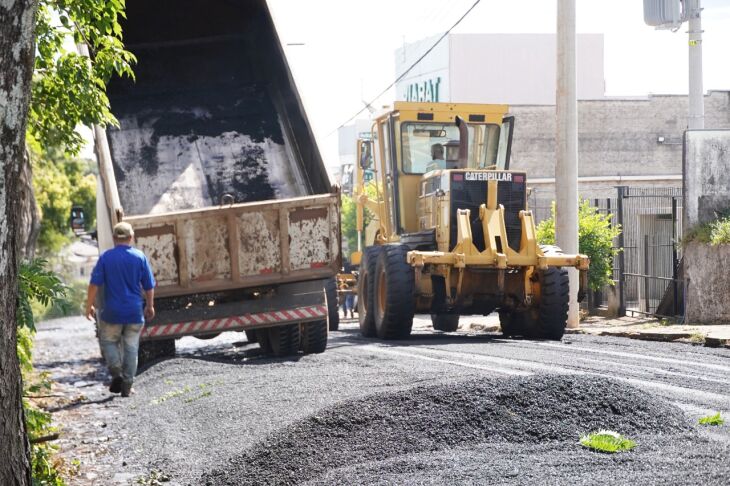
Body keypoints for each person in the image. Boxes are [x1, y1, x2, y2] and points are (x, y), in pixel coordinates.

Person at [85, 222, 156, 397]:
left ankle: (116, 373)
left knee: (109, 342)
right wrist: (150, 305)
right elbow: (148, 285)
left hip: (112, 312)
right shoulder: (139, 257)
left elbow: (94, 284)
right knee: (131, 348)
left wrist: (89, 306)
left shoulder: (106, 258)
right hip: (134, 312)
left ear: (115, 238)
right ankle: (127, 385)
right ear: (131, 238)